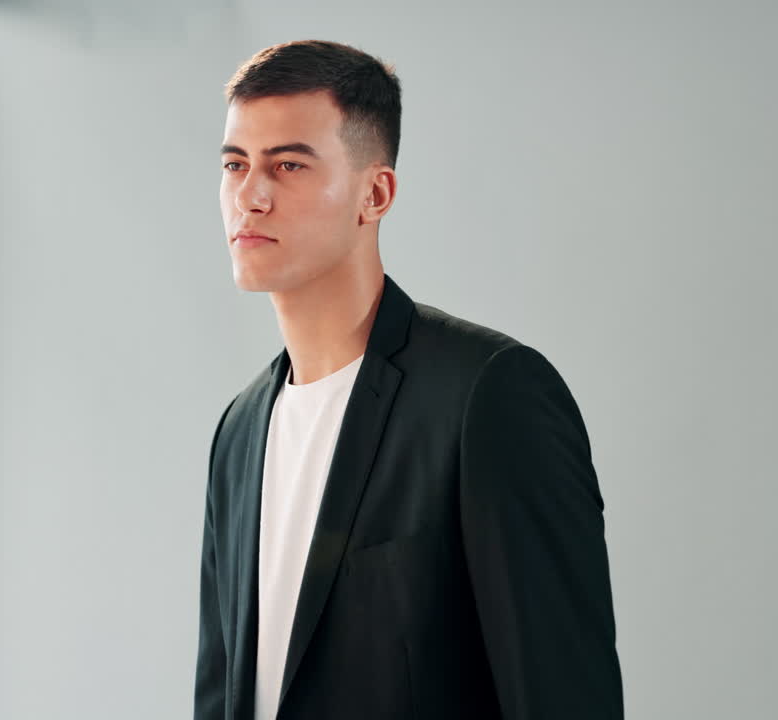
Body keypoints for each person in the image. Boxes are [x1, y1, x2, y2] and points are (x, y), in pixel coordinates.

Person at [195, 40, 624, 720]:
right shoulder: (239, 430)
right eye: (235, 165)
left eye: (289, 165)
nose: (251, 195)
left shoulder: (489, 395)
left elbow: (563, 696)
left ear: (375, 193)